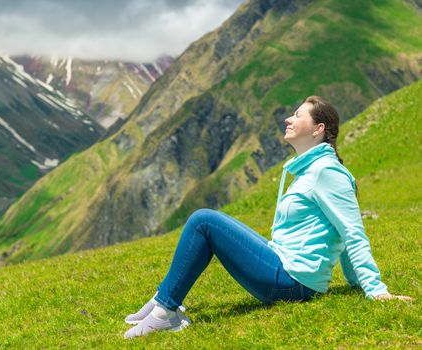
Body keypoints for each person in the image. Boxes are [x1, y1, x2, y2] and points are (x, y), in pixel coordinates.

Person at [123, 96, 412, 339]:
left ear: (318, 129)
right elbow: (340, 231)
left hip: (292, 281)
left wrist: (374, 289)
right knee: (209, 222)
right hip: (285, 266)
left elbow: (351, 231)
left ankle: (166, 311)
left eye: (298, 115)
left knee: (203, 221)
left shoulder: (327, 172)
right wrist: (352, 281)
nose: (288, 119)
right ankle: (162, 299)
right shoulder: (312, 170)